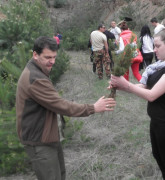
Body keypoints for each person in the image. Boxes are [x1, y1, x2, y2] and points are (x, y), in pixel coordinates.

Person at [16, 36, 116, 180]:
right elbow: (61, 105)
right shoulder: (35, 78)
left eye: (54, 57)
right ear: (35, 55)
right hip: (39, 142)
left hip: (47, 137)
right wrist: (93, 108)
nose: (52, 61)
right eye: (48, 57)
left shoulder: (38, 69)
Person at [111, 18, 165, 180]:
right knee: (158, 155)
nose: (154, 50)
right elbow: (145, 87)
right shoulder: (158, 66)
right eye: (154, 46)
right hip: (157, 120)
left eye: (157, 46)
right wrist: (121, 87)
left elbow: (152, 95)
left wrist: (126, 85)